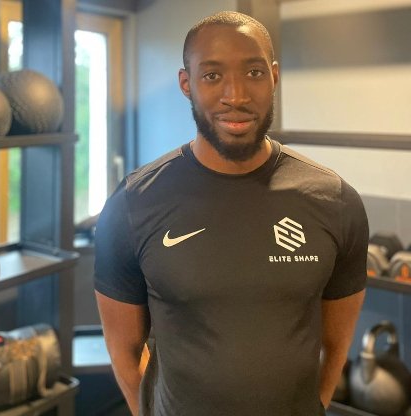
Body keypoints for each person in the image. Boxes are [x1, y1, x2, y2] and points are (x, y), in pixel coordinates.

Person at [94, 11, 369, 416]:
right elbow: (124, 351)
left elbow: (336, 345)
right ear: (186, 84)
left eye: (254, 72)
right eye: (212, 75)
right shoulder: (133, 203)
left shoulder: (336, 202)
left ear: (274, 76)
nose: (235, 96)